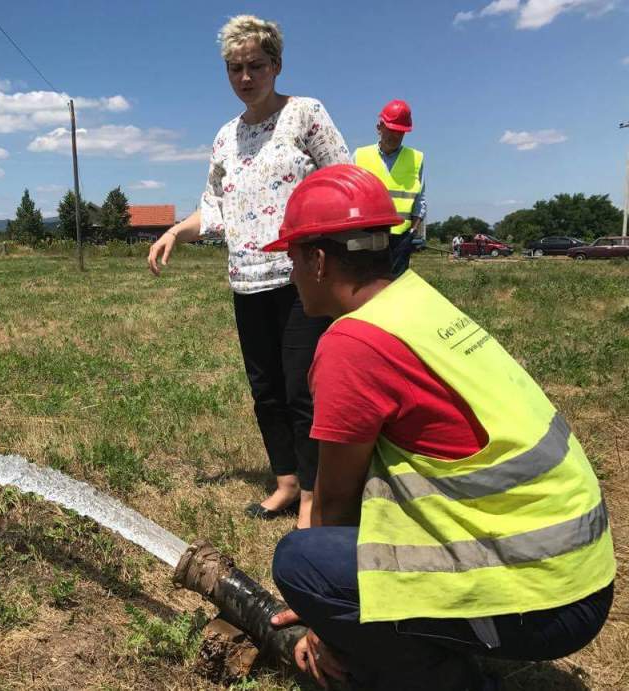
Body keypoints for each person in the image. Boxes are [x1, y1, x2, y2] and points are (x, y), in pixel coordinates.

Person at [260, 164, 614, 690]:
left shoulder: (351, 344)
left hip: (547, 599)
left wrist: (325, 613)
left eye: (290, 259)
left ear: (316, 261)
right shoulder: (412, 300)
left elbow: (333, 506)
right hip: (577, 571)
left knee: (303, 562)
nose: (288, 275)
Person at [147, 15, 349, 528]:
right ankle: (283, 481)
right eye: (234, 68)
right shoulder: (225, 138)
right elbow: (212, 207)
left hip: (301, 278)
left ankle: (311, 495)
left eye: (255, 65)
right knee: (265, 389)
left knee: (303, 388)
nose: (244, 77)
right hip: (246, 279)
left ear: (276, 65)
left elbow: (343, 179)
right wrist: (173, 231)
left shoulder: (305, 115)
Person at [353, 99, 425, 277]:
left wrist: (412, 233)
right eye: (391, 130)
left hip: (400, 239)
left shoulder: (416, 158)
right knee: (366, 287)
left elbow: (420, 202)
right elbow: (350, 197)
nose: (395, 136)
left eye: (401, 132)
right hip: (366, 236)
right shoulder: (359, 155)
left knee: (394, 290)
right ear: (379, 127)